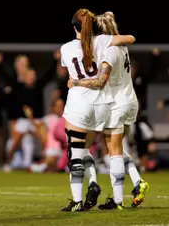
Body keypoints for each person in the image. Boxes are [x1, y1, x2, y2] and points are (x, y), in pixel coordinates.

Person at [69, 11, 148, 210]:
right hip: (129, 100)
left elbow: (101, 80)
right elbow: (130, 38)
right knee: (116, 148)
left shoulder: (109, 49)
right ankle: (136, 182)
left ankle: (118, 200)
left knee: (111, 151)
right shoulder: (120, 47)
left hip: (116, 102)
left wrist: (76, 82)